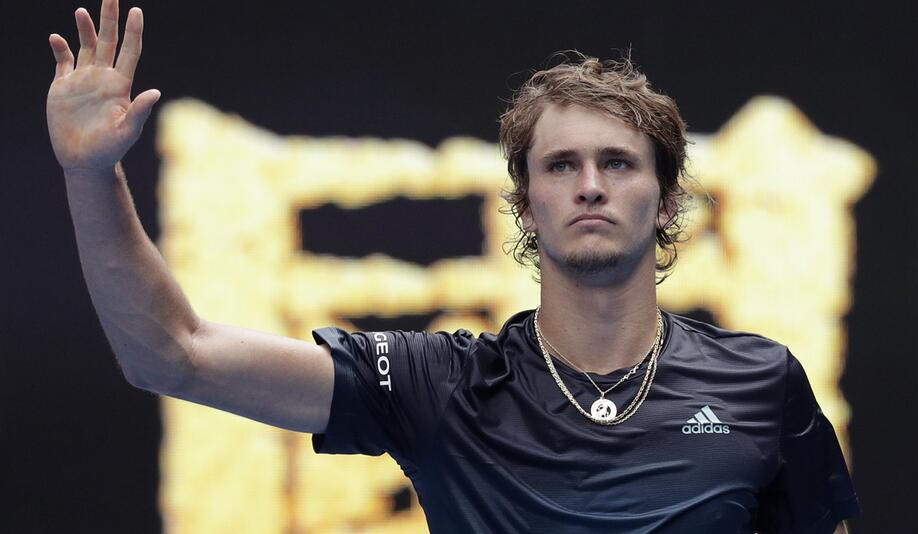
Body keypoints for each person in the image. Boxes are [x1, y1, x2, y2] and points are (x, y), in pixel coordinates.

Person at [47, 1, 859, 532]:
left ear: (670, 200)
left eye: (618, 163)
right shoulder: (438, 383)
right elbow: (171, 352)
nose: (588, 186)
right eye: (560, 166)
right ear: (523, 203)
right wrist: (92, 175)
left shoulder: (761, 381)